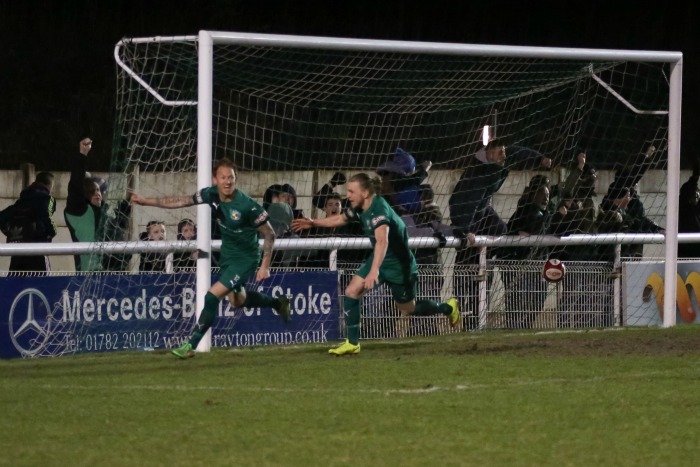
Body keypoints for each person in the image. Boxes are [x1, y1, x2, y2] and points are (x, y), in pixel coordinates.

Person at [130, 158, 291, 358]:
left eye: (231, 177)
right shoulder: (211, 194)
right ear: (216, 179)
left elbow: (270, 233)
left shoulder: (247, 206)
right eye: (223, 177)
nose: (227, 181)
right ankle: (278, 304)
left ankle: (190, 345)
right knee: (237, 301)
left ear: (236, 179)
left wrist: (264, 265)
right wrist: (146, 201)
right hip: (228, 256)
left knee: (211, 296)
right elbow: (180, 200)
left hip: (246, 259)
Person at [292, 173, 459, 356]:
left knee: (407, 308)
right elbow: (340, 219)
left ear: (364, 193)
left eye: (351, 191)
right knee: (351, 291)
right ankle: (352, 343)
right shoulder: (359, 206)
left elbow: (382, 242)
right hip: (380, 259)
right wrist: (313, 222)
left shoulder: (379, 210)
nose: (347, 195)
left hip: (400, 266)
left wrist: (374, 271)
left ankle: (448, 307)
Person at [64, 134, 131, 271]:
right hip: (88, 274)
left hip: (111, 277)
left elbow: (117, 233)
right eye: (92, 191)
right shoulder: (79, 212)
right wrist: (82, 154)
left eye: (99, 190)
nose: (97, 193)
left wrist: (124, 210)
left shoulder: (105, 215)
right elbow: (75, 185)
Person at [0, 171, 57, 275]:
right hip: (38, 250)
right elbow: (46, 215)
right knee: (43, 286)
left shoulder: (21, 201)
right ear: (50, 185)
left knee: (16, 287)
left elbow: (2, 217)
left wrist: (11, 232)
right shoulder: (48, 199)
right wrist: (52, 232)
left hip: (18, 251)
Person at [376, 147, 432, 215]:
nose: (383, 180)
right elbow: (411, 180)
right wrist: (424, 170)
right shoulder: (399, 183)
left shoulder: (403, 186)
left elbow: (409, 181)